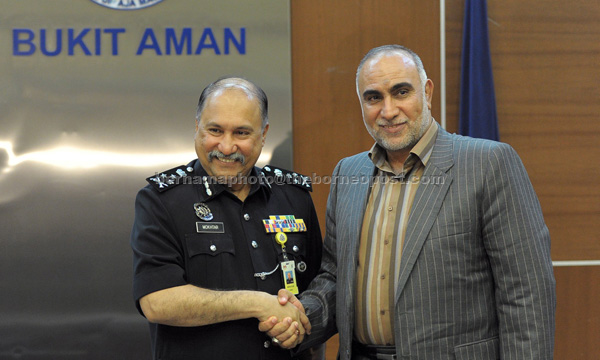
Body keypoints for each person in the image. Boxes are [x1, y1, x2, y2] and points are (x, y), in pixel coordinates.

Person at [261, 45, 556, 359]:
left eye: (401, 92)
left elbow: (527, 295)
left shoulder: (487, 164)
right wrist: (301, 317)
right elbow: (335, 278)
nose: (388, 111)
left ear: (427, 92)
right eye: (374, 97)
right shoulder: (348, 173)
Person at [130, 77, 325, 360]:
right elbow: (157, 302)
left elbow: (317, 290)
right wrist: (257, 303)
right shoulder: (161, 200)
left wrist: (299, 327)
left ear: (264, 133)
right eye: (215, 130)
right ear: (197, 127)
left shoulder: (294, 196)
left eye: (242, 133)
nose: (226, 146)